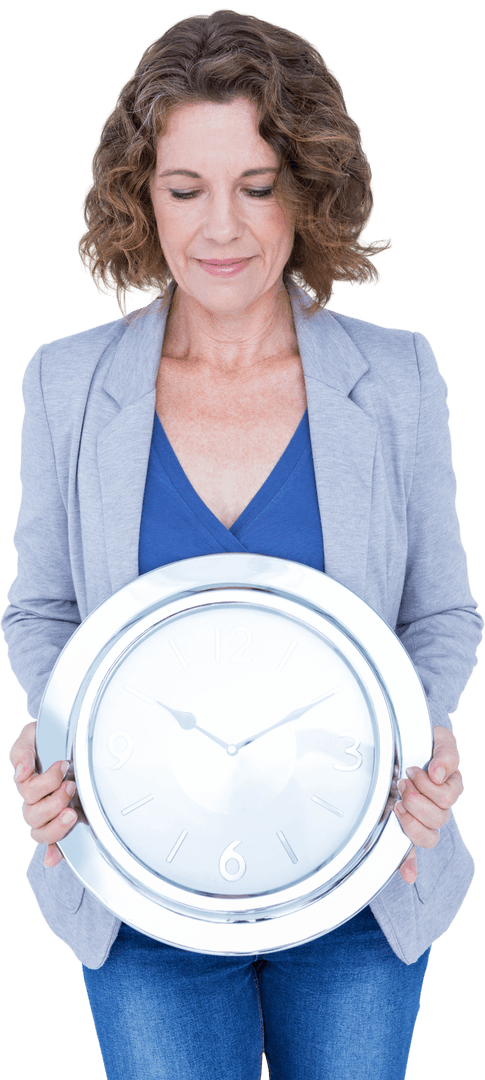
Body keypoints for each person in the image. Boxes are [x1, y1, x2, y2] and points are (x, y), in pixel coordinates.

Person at [3, 9, 483, 1080]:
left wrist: (414, 732)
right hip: (139, 883)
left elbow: (441, 612)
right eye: (185, 189)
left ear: (306, 188)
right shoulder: (67, 384)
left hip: (362, 883)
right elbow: (42, 610)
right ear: (142, 195)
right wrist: (62, 735)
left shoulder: (395, 375)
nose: (220, 227)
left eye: (256, 186)